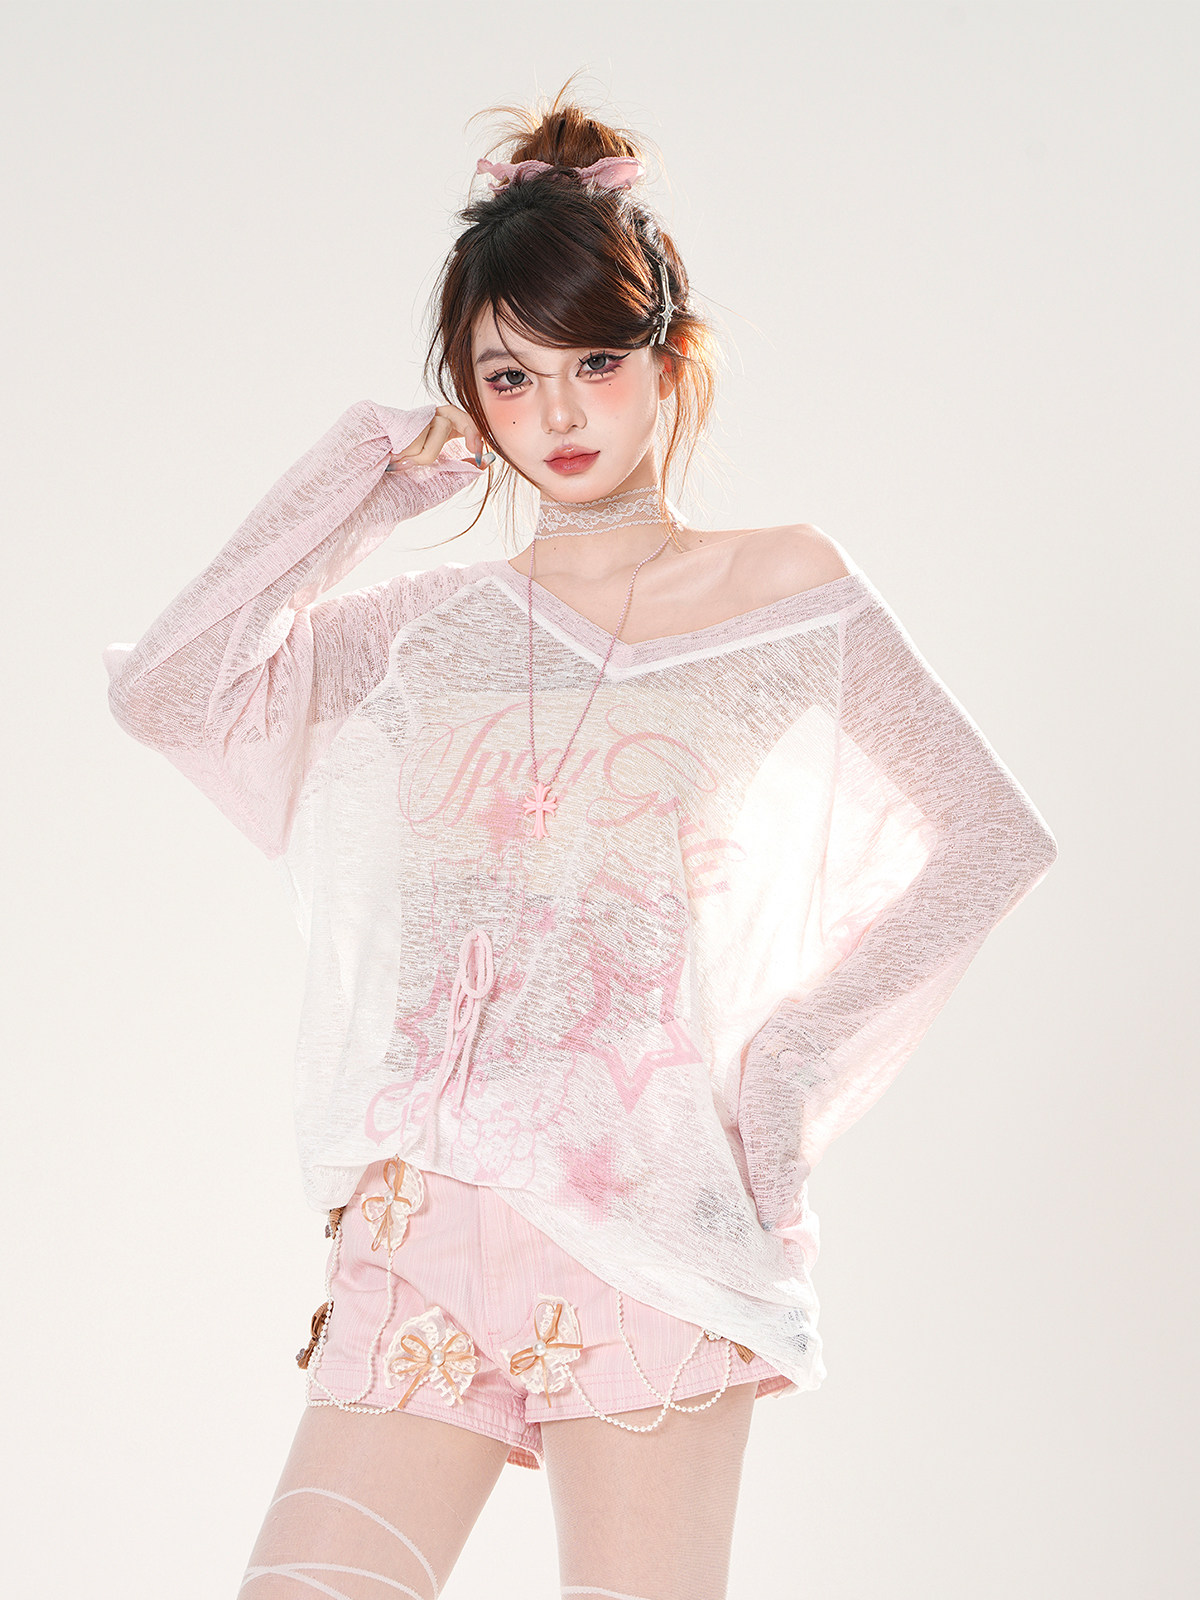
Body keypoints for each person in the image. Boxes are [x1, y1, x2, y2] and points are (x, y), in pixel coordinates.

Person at [102, 81, 1058, 1600]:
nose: (557, 416)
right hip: (425, 1222)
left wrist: (787, 1073)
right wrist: (365, 490)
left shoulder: (781, 587)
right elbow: (170, 687)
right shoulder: (437, 626)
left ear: (669, 360)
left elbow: (993, 834)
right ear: (470, 397)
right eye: (511, 375)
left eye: (596, 364)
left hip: (645, 1224)